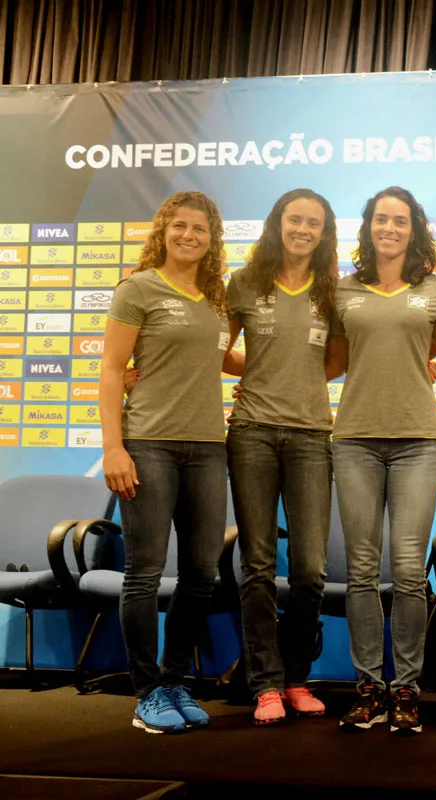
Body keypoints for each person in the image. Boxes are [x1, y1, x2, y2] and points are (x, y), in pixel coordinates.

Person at [100, 190, 241, 734]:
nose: (189, 236)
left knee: (202, 572)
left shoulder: (217, 297)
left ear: (212, 239)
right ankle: (145, 692)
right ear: (164, 231)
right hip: (150, 444)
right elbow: (113, 370)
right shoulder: (137, 288)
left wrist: (300, 363)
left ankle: (175, 681)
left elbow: (228, 358)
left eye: (200, 229)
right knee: (145, 572)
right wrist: (114, 447)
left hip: (208, 447)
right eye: (179, 226)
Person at [325, 186, 436, 734]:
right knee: (360, 572)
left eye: (400, 220)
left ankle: (405, 687)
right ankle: (366, 687)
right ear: (368, 226)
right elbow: (326, 362)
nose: (390, 228)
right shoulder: (342, 291)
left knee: (406, 571)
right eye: (381, 219)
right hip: (353, 439)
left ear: (414, 229)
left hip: (419, 443)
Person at [225, 189, 339, 725]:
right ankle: (266, 684)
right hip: (251, 433)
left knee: (312, 568)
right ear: (278, 224)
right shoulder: (244, 282)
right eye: (294, 219)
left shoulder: (334, 290)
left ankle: (297, 677)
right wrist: (260, 372)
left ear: (324, 232)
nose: (303, 229)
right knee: (258, 567)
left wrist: (292, 377)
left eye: (313, 223)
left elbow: (336, 359)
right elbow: (214, 345)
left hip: (313, 436)